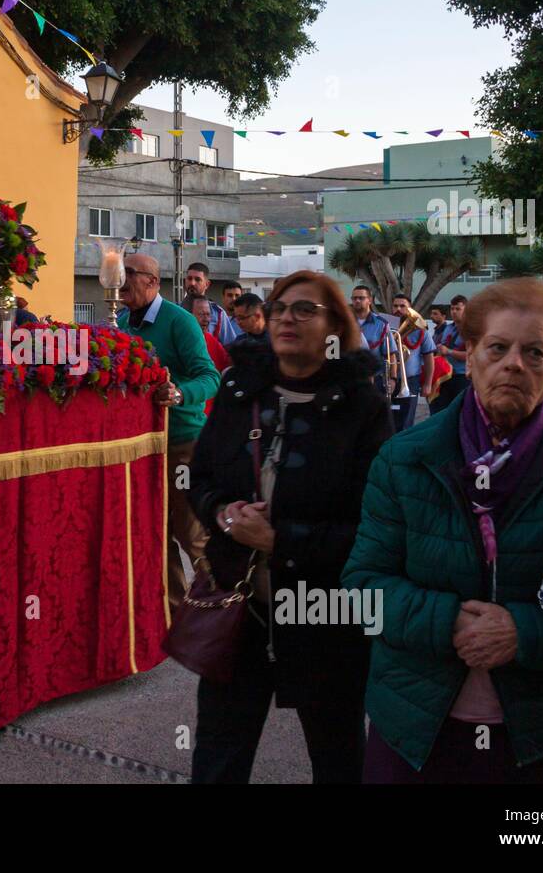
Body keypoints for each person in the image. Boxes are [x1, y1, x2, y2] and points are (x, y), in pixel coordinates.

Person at [343, 279, 543, 783]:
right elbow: (363, 587)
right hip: (415, 727)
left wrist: (524, 634)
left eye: (535, 351)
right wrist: (448, 621)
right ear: (469, 355)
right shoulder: (405, 458)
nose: (514, 363)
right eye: (497, 347)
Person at [187, 271, 393, 783]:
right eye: (279, 308)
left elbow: (379, 527)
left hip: (326, 613)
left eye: (304, 310)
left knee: (337, 752)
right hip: (242, 608)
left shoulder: (362, 406)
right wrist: (222, 514)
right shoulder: (240, 388)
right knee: (218, 755)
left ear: (335, 326)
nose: (286, 318)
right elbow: (201, 474)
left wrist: (284, 542)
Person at [116, 253, 220, 613]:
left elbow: (211, 378)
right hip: (143, 447)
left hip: (183, 442)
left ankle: (224, 612)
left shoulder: (181, 322)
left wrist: (179, 394)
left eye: (130, 273)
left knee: (190, 533)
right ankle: (174, 614)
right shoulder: (120, 322)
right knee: (156, 535)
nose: (122, 279)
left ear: (153, 282)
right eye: (120, 272)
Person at [390, 293, 436, 432]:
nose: (398, 309)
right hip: (387, 381)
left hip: (410, 381)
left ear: (410, 308)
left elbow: (429, 358)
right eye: (395, 306)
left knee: (406, 420)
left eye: (402, 306)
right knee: (386, 420)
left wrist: (427, 384)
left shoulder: (421, 332)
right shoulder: (385, 328)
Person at [181, 263, 240, 346]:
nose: (192, 283)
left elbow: (231, 346)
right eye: (189, 278)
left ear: (207, 284)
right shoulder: (176, 310)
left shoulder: (218, 313)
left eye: (197, 279)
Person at [191, 296, 231, 415]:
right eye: (201, 314)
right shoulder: (180, 342)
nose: (206, 319)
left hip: (211, 414)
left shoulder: (212, 341)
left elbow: (226, 367)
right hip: (192, 412)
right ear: (189, 316)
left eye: (208, 315)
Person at [430, 295, 470, 414]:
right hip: (444, 376)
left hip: (461, 376)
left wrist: (449, 352)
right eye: (452, 309)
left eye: (458, 309)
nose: (454, 312)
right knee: (440, 411)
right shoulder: (448, 328)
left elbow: (472, 354)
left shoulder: (472, 329)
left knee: (459, 412)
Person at [350, 284, 392, 395]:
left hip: (375, 379)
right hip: (350, 378)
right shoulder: (344, 322)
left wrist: (393, 378)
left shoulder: (381, 324)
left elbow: (390, 353)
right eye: (354, 298)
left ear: (370, 300)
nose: (357, 301)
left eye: (361, 298)